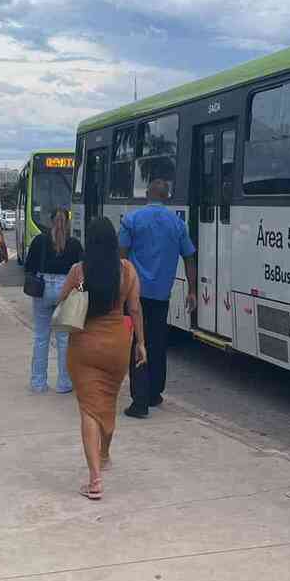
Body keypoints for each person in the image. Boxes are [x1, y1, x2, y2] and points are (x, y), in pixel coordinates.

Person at [61, 216, 144, 500]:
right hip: (117, 346)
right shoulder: (128, 271)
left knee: (88, 409)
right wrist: (141, 344)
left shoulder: (79, 271)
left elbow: (61, 302)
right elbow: (134, 310)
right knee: (107, 402)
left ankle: (95, 479)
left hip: (84, 345)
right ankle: (105, 453)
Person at [118, 178, 195, 418]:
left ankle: (139, 401)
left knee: (136, 343)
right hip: (162, 294)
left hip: (135, 295)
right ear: (167, 196)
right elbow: (190, 256)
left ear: (147, 194)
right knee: (158, 343)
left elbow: (121, 256)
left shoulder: (132, 219)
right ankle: (154, 393)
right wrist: (192, 289)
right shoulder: (177, 224)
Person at [24, 207, 83, 394]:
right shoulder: (74, 244)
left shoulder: (39, 240)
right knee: (64, 339)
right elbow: (80, 271)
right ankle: (64, 383)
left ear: (51, 222)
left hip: (42, 288)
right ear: (68, 223)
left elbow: (29, 267)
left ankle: (38, 383)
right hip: (65, 289)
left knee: (41, 337)